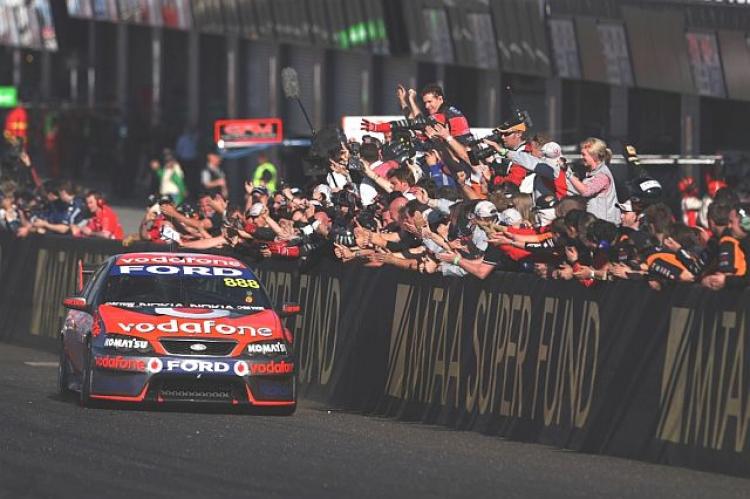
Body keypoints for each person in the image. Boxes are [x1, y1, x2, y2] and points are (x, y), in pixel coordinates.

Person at [565, 138, 620, 225]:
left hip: (604, 226)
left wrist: (569, 175)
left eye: (584, 155)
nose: (582, 158)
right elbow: (577, 190)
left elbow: (586, 191)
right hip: (595, 223)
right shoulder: (592, 173)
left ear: (594, 156)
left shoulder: (602, 175)